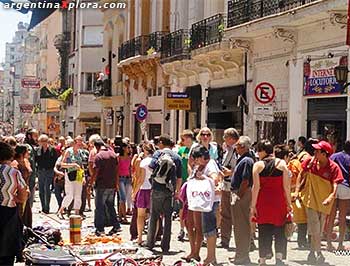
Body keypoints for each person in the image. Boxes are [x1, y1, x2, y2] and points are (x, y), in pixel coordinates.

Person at [295, 140, 343, 264]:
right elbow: (301, 174)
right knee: (316, 227)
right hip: (310, 200)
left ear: (325, 153)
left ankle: (312, 252)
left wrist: (331, 197)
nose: (314, 152)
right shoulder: (310, 162)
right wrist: (296, 191)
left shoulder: (333, 167)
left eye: (317, 151)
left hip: (324, 202)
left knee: (319, 228)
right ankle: (319, 252)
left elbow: (335, 184)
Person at [251, 140, 291, 266]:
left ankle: (262, 259)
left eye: (258, 150)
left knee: (263, 229)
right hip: (279, 201)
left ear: (263, 151)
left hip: (263, 202)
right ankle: (279, 258)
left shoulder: (257, 165)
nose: (258, 153)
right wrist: (289, 204)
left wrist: (253, 206)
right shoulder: (282, 164)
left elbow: (256, 187)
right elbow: (286, 187)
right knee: (280, 229)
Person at [146, 134, 182, 253]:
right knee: (168, 218)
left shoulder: (158, 154)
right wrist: (177, 191)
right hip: (169, 189)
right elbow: (179, 177)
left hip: (157, 187)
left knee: (154, 216)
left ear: (162, 143)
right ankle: (165, 246)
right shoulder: (177, 157)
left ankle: (150, 243)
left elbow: (151, 168)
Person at [0, 141, 29, 265]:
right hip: (9, 214)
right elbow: (23, 195)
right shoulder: (14, 173)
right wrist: (14, 198)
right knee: (8, 251)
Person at [229, 136, 255, 264]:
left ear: (243, 147)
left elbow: (245, 181)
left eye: (238, 145)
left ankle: (242, 256)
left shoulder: (246, 161)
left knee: (241, 227)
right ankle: (240, 254)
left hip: (242, 194)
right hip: (240, 193)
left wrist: (238, 196)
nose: (236, 147)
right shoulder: (244, 159)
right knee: (239, 227)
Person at [92, 139, 121, 235]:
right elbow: (117, 171)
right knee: (110, 206)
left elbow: (96, 172)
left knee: (99, 207)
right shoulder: (113, 155)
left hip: (101, 185)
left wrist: (90, 183)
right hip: (111, 185)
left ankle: (100, 228)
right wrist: (117, 184)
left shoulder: (98, 156)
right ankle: (116, 226)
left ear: (97, 147)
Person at [326, 140, 350, 250]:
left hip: (333, 186)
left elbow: (328, 167)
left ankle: (329, 243)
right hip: (346, 187)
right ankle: (340, 245)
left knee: (331, 216)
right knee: (342, 217)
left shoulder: (334, 156)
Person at [219, 127, 240, 249]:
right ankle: (224, 239)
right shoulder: (227, 150)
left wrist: (230, 172)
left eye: (225, 137)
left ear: (231, 138)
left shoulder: (239, 150)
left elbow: (242, 168)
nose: (224, 139)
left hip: (236, 187)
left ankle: (247, 240)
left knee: (238, 215)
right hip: (226, 186)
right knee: (225, 214)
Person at [133, 143, 156, 245]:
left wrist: (134, 192)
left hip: (144, 189)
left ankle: (140, 237)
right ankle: (153, 237)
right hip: (155, 189)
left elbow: (141, 179)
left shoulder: (144, 162)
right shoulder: (157, 161)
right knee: (155, 215)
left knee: (140, 215)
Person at [58, 136, 85, 218]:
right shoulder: (68, 151)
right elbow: (62, 164)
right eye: (79, 141)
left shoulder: (80, 152)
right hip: (70, 174)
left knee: (78, 194)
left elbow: (81, 165)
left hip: (79, 174)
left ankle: (77, 213)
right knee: (70, 194)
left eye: (81, 141)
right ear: (75, 142)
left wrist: (83, 176)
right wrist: (72, 165)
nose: (80, 142)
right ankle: (61, 210)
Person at [177, 129, 195, 241]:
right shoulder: (181, 150)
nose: (182, 141)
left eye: (183, 139)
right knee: (182, 207)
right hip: (182, 181)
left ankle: (190, 229)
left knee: (191, 207)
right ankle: (182, 229)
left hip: (192, 182)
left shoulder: (195, 149)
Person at [35, 134, 58, 214]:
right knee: (41, 189)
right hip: (41, 171)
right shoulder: (37, 150)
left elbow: (55, 160)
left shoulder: (52, 150)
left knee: (47, 188)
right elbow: (36, 161)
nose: (43, 143)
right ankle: (43, 207)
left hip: (49, 171)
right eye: (41, 141)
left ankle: (47, 207)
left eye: (44, 141)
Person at [12, 144, 33, 228]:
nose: (29, 153)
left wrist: (27, 188)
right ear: (22, 153)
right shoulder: (14, 164)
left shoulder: (26, 161)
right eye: (27, 151)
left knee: (26, 215)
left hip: (26, 190)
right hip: (18, 192)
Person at [117, 140, 133, 223]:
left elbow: (130, 168)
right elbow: (116, 170)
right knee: (122, 198)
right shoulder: (118, 157)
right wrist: (116, 181)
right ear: (123, 148)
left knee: (124, 198)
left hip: (127, 178)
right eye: (128, 147)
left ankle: (120, 216)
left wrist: (131, 178)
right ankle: (124, 217)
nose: (129, 149)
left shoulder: (130, 157)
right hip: (120, 179)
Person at [25, 128, 39, 207]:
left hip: (31, 179)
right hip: (29, 179)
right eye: (35, 136)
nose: (36, 138)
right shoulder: (28, 147)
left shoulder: (31, 147)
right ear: (29, 136)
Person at [53, 147, 66, 212]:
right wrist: (59, 173)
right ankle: (60, 205)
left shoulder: (68, 159)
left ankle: (63, 207)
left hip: (66, 179)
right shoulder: (59, 158)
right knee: (57, 193)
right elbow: (55, 168)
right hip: (58, 179)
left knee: (65, 194)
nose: (63, 151)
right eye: (62, 150)